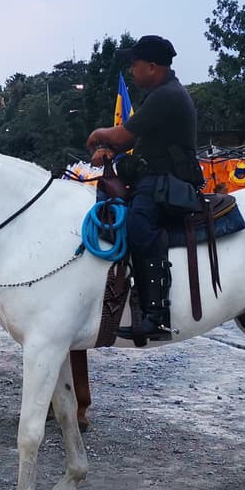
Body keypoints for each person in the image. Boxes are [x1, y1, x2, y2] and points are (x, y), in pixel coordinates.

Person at [86, 35, 202, 341]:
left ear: (152, 67)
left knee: (137, 223)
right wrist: (109, 152)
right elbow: (135, 142)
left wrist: (100, 133)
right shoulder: (160, 94)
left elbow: (123, 136)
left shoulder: (166, 96)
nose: (132, 71)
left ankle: (155, 314)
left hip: (170, 182)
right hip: (156, 177)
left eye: (135, 64)